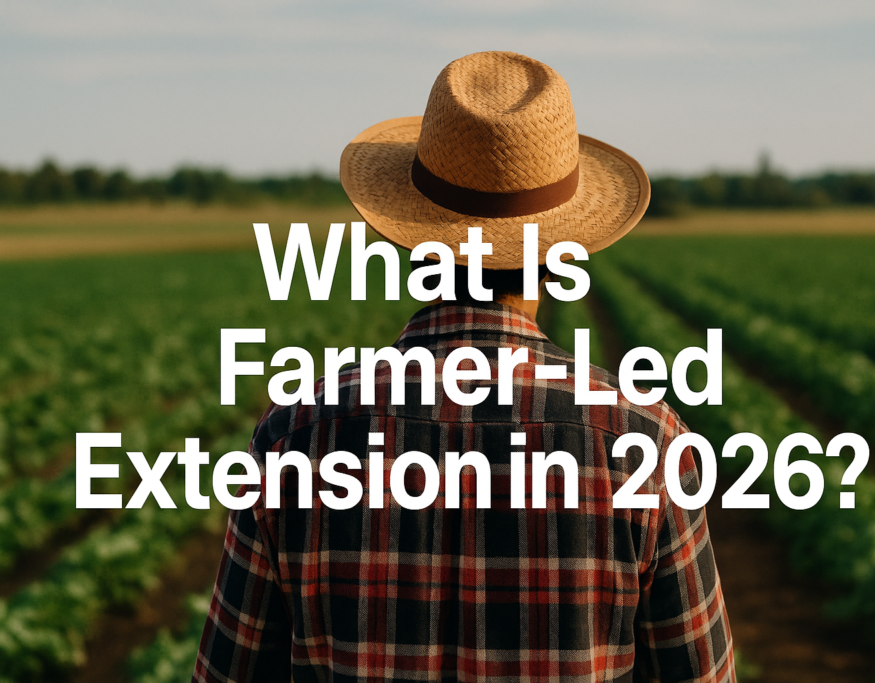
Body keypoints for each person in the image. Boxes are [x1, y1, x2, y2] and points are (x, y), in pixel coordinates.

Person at [193, 50, 734, 683]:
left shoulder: (292, 437)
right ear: (560, 258)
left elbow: (228, 673)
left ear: (413, 244)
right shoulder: (645, 443)